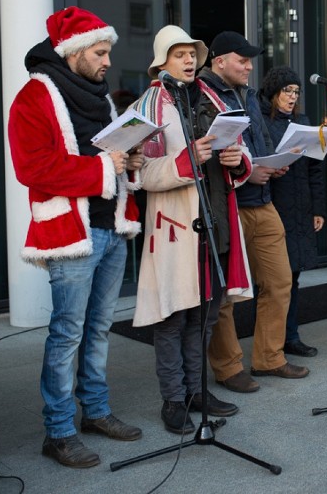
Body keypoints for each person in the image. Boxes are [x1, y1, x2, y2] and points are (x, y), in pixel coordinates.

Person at [9, 7, 143, 468]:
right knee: (67, 333)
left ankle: (97, 412)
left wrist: (131, 163)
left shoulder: (100, 97)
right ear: (75, 51)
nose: (108, 61)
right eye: (101, 52)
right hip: (72, 233)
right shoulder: (33, 95)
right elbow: (32, 168)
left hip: (111, 227)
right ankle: (59, 430)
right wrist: (106, 168)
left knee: (99, 327)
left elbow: (108, 155)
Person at [131, 25, 252, 434]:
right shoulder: (147, 105)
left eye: (191, 53)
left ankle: (197, 391)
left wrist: (236, 159)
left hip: (214, 222)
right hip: (174, 229)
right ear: (161, 60)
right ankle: (173, 400)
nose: (187, 60)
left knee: (205, 316)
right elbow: (143, 173)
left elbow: (239, 150)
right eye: (178, 53)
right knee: (172, 318)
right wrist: (188, 161)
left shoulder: (213, 98)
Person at [200, 31, 310, 387]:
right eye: (241, 60)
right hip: (228, 205)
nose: (249, 66)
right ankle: (229, 368)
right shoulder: (202, 95)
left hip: (264, 203)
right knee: (227, 294)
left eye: (250, 60)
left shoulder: (248, 95)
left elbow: (257, 142)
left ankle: (268, 358)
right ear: (219, 61)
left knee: (280, 282)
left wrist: (271, 165)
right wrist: (250, 172)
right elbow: (205, 153)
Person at [259, 66, 325, 357]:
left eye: (296, 91)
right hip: (272, 205)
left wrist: (318, 209)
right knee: (275, 279)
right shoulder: (259, 122)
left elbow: (316, 170)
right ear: (274, 91)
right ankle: (273, 341)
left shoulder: (303, 121)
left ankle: (291, 336)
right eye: (287, 90)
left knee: (293, 277)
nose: (292, 96)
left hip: (301, 207)